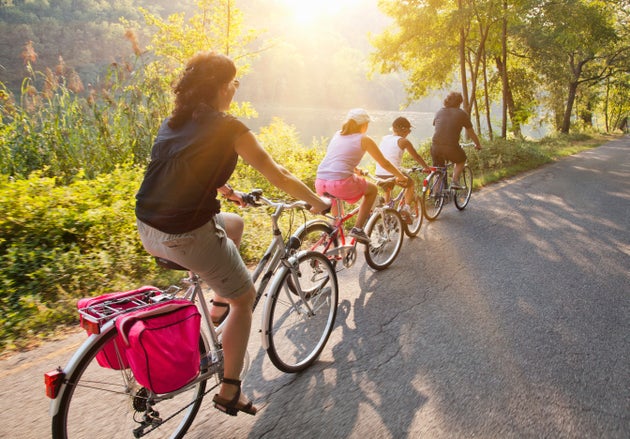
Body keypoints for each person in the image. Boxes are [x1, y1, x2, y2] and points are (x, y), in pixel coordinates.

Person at [135, 51, 329, 417]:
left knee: (234, 224)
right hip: (185, 234)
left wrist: (228, 192)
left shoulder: (175, 121)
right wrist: (317, 201)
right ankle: (230, 389)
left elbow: (186, 167)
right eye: (235, 84)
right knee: (246, 298)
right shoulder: (228, 126)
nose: (236, 89)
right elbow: (279, 174)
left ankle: (216, 305)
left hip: (148, 226)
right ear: (224, 87)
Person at [315, 108, 410, 244]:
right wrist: (401, 176)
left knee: (337, 220)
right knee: (372, 190)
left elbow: (337, 158)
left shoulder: (338, 134)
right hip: (340, 183)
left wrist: (355, 169)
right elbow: (385, 163)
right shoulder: (364, 139)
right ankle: (358, 229)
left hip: (320, 181)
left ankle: (332, 246)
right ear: (364, 124)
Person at [375, 116, 430, 222]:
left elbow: (389, 156)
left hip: (379, 173)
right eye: (409, 129)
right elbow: (416, 157)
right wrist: (426, 167)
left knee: (387, 190)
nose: (409, 132)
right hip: (393, 174)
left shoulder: (385, 138)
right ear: (403, 129)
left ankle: (387, 214)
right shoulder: (403, 141)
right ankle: (406, 209)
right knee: (411, 184)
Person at [431, 92, 482, 188]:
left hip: (435, 146)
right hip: (451, 147)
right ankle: (454, 180)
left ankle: (435, 193)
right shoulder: (462, 114)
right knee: (461, 159)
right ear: (460, 102)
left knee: (438, 170)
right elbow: (471, 133)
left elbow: (436, 125)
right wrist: (478, 144)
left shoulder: (439, 112)